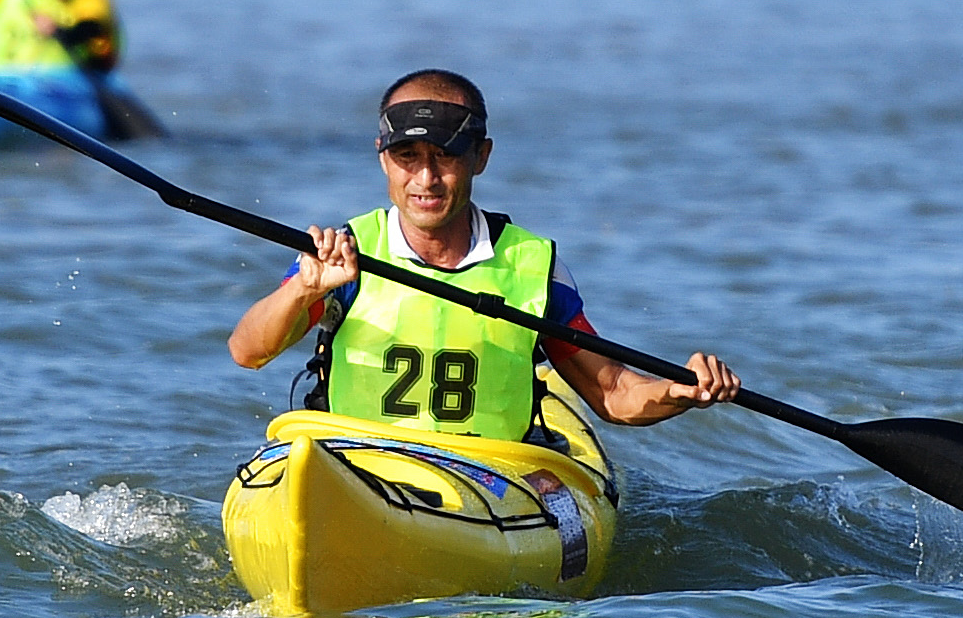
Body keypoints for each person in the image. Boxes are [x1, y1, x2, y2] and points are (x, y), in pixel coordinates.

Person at [228, 69, 739, 438]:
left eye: (445, 157)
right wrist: (303, 290)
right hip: (361, 467)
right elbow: (248, 352)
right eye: (407, 158)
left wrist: (680, 393)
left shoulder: (533, 267)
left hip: (487, 480)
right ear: (383, 160)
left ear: (482, 157)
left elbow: (612, 394)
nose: (425, 179)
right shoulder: (344, 256)